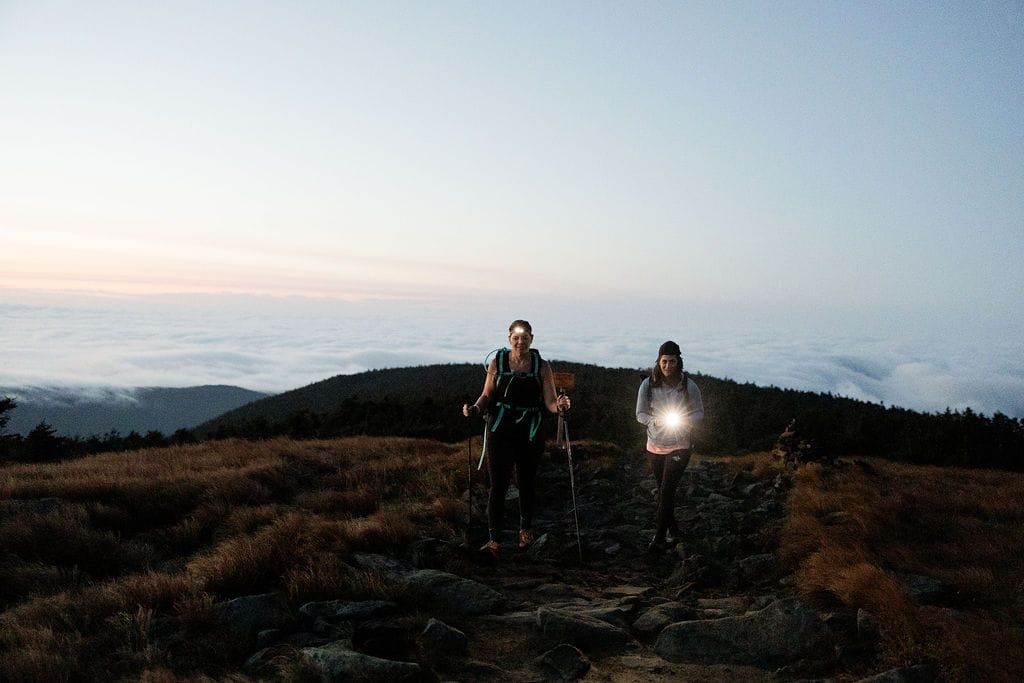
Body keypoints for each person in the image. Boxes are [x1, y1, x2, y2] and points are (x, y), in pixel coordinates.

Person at [462, 320, 571, 558]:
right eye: (516, 337)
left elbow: (550, 402)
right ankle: (494, 539)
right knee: (498, 484)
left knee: (526, 481)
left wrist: (560, 407)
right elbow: (487, 394)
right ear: (509, 338)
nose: (520, 342)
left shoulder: (541, 366)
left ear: (532, 339)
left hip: (529, 429)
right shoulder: (497, 362)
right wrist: (476, 409)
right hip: (500, 428)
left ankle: (525, 530)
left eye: (525, 338)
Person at [635, 340, 704, 553]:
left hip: (680, 445)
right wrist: (653, 421)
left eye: (672, 362)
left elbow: (699, 412)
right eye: (664, 361)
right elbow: (640, 413)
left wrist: (685, 422)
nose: (668, 366)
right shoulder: (647, 385)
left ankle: (658, 537)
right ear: (659, 361)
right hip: (654, 445)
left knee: (666, 491)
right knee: (665, 491)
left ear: (678, 362)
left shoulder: (688, 386)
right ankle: (673, 530)